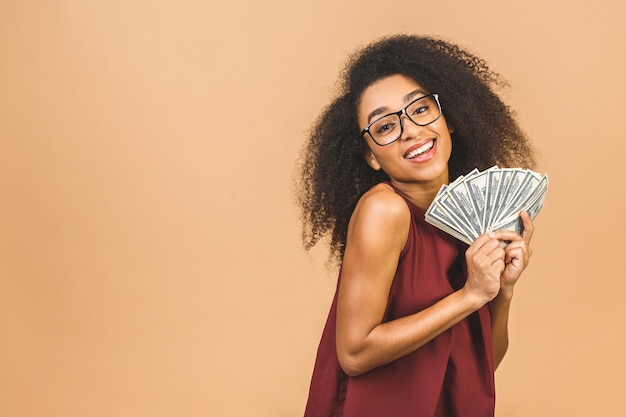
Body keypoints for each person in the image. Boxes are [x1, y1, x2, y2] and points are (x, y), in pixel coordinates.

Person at [295, 34, 537, 417]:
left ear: (449, 118)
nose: (410, 129)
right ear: (371, 157)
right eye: (385, 127)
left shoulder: (470, 219)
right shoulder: (385, 211)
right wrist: (470, 295)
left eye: (421, 109)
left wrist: (502, 292)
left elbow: (480, 367)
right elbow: (354, 354)